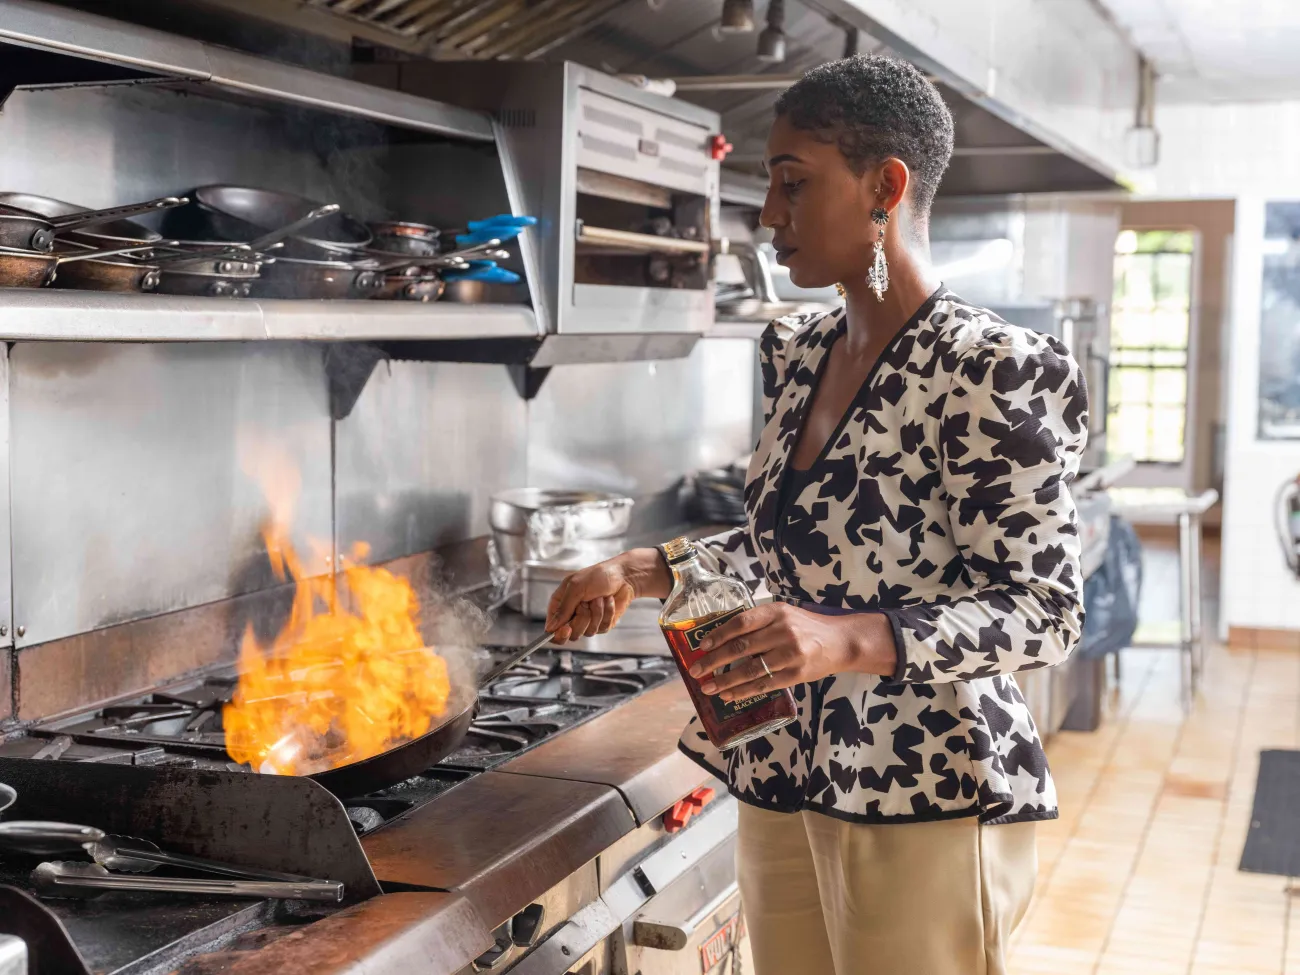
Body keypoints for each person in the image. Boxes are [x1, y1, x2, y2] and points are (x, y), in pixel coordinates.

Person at [545, 54, 1088, 975]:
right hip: (782, 774)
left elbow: (1046, 609)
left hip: (922, 792)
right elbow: (794, 550)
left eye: (793, 183)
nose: (768, 214)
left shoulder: (991, 368)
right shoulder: (796, 350)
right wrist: (639, 570)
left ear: (886, 186)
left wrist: (843, 641)